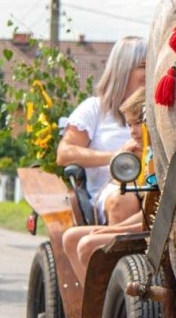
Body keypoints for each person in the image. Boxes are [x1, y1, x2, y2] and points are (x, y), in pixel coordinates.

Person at [61, 86, 148, 283]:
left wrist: (113, 230)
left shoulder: (156, 160)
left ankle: (108, 304)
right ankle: (94, 308)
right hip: (138, 223)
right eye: (129, 125)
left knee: (87, 244)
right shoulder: (137, 156)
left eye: (139, 123)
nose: (133, 132)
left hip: (148, 229)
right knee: (70, 238)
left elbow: (154, 213)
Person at [55, 36, 146, 218]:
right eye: (143, 66)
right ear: (123, 70)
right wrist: (118, 157)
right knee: (125, 200)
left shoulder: (158, 110)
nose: (151, 72)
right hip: (111, 192)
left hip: (153, 186)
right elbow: (64, 154)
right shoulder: (95, 109)